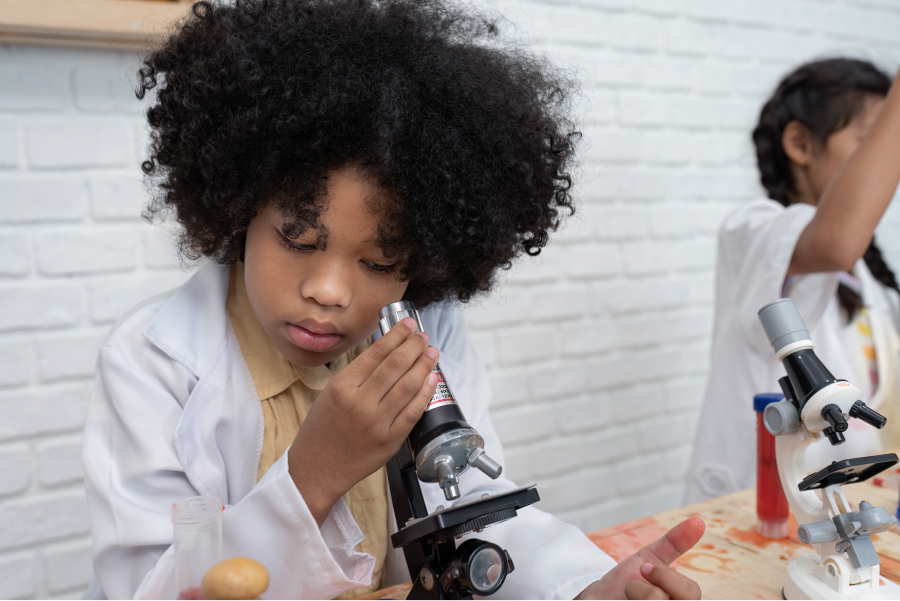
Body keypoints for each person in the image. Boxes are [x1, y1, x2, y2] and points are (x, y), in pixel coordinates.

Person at [82, 1, 704, 598]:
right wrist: (316, 472)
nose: (328, 291)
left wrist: (579, 589)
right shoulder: (152, 362)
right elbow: (151, 587)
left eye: (380, 262)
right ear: (240, 209)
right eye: (299, 241)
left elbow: (471, 509)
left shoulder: (424, 329)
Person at [686, 58, 900, 504]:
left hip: (855, 496)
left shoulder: (868, 275)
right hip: (758, 502)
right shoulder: (753, 231)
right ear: (800, 143)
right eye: (872, 142)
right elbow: (836, 239)